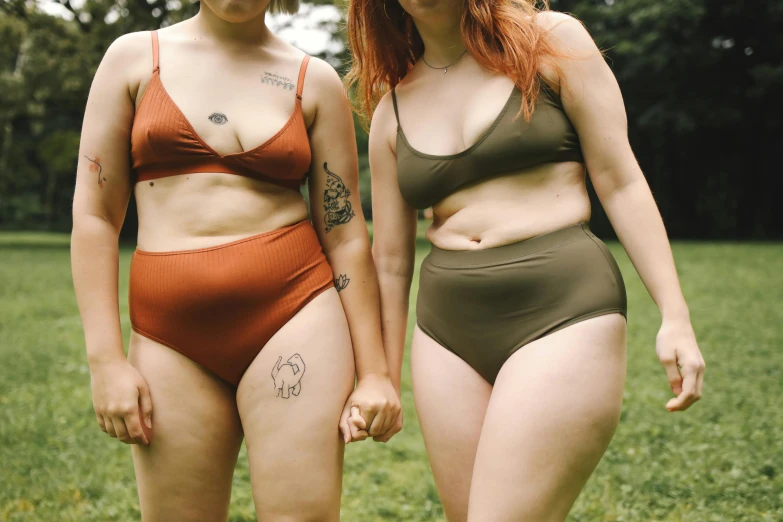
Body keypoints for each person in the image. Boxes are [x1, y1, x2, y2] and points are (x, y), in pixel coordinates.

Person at [346, 0, 706, 520]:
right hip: (447, 331)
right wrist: (377, 374)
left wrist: (675, 314)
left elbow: (621, 180)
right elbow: (391, 262)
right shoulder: (391, 112)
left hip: (562, 304)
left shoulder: (552, 41)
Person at [70, 0, 401, 519]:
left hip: (294, 315)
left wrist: (376, 374)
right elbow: (95, 216)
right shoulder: (133, 60)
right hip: (169, 333)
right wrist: (105, 360)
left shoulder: (312, 81)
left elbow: (344, 234)